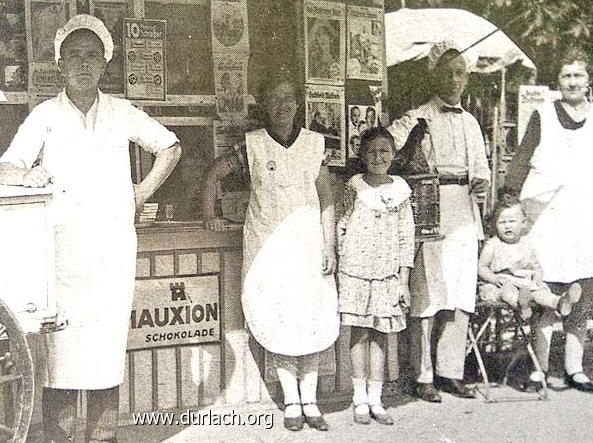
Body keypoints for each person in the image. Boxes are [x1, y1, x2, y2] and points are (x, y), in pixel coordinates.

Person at [0, 14, 181, 443]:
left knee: (103, 358)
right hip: (60, 259)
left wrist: (139, 194)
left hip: (110, 256)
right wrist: (25, 176)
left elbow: (170, 146)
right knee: (59, 363)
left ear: (104, 65)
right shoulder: (44, 115)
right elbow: (4, 166)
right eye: (73, 56)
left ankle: (103, 439)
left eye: (91, 56)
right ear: (59, 64)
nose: (82, 64)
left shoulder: (120, 112)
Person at [203, 72, 338, 432]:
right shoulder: (253, 145)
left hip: (308, 245)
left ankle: (310, 400)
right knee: (278, 319)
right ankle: (291, 400)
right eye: (276, 98)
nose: (284, 104)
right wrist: (209, 215)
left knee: (312, 319)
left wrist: (329, 244)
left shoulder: (314, 144)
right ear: (264, 105)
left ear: (297, 103)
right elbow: (214, 175)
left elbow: (326, 199)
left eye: (289, 97)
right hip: (268, 247)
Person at [388, 39, 490, 402]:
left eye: (459, 73)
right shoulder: (419, 116)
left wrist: (481, 183)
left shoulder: (473, 123)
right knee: (428, 295)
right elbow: (389, 145)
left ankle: (451, 371)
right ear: (435, 76)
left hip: (464, 210)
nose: (453, 80)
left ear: (466, 79)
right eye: (446, 73)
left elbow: (481, 168)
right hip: (430, 207)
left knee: (460, 293)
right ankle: (423, 374)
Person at [503, 46, 593, 394]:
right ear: (558, 81)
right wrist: (509, 197)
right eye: (566, 75)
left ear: (589, 80)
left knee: (582, 294)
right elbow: (519, 161)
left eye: (578, 75)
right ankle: (539, 368)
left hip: (588, 217)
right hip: (546, 218)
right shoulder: (543, 116)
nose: (572, 82)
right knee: (546, 294)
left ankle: (574, 369)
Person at [337, 127, 414, 425]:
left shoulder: (401, 192)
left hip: (387, 275)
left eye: (384, 151)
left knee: (382, 335)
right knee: (359, 333)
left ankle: (376, 398)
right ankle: (359, 400)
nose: (378, 157)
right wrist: (343, 263)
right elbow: (341, 226)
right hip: (356, 272)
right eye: (371, 152)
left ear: (393, 155)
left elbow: (407, 238)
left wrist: (403, 281)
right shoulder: (354, 188)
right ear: (362, 155)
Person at [478, 197, 581, 320]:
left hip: (525, 285)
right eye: (502, 222)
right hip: (501, 284)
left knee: (540, 293)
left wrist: (538, 277)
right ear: (495, 224)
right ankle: (522, 305)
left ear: (523, 223)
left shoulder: (526, 243)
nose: (507, 226)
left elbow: (536, 266)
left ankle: (560, 302)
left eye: (512, 221)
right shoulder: (493, 244)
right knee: (508, 292)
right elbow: (481, 267)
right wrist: (493, 278)